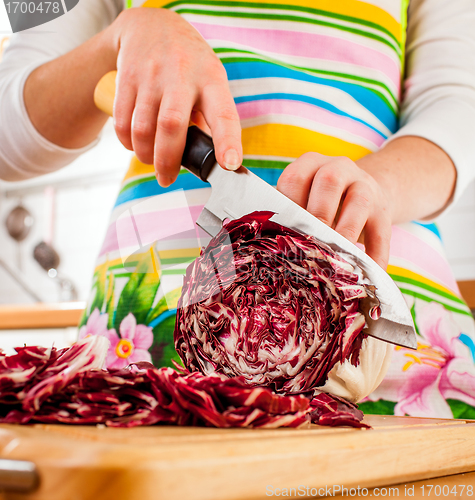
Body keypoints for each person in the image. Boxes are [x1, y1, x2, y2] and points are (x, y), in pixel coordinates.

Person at [1, 0, 475, 418]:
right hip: (148, 342)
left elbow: (458, 103)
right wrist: (119, 38)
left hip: (389, 353)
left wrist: (377, 185)